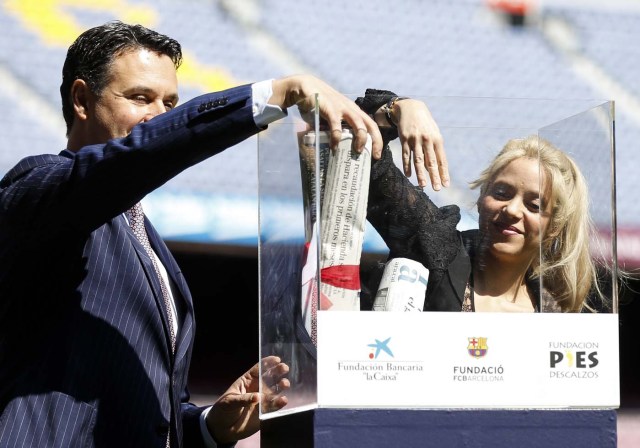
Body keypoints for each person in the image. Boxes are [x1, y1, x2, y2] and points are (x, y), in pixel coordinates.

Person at [0, 21, 447, 448]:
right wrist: (277, 93)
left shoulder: (147, 244)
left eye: (170, 104)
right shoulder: (41, 190)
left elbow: (155, 416)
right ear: (82, 99)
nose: (158, 117)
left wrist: (213, 424)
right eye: (140, 97)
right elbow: (122, 164)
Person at [359, 89, 608, 313]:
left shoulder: (555, 312)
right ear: (481, 199)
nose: (511, 209)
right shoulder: (435, 248)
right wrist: (399, 108)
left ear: (554, 227)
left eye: (534, 205)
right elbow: (363, 162)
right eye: (501, 193)